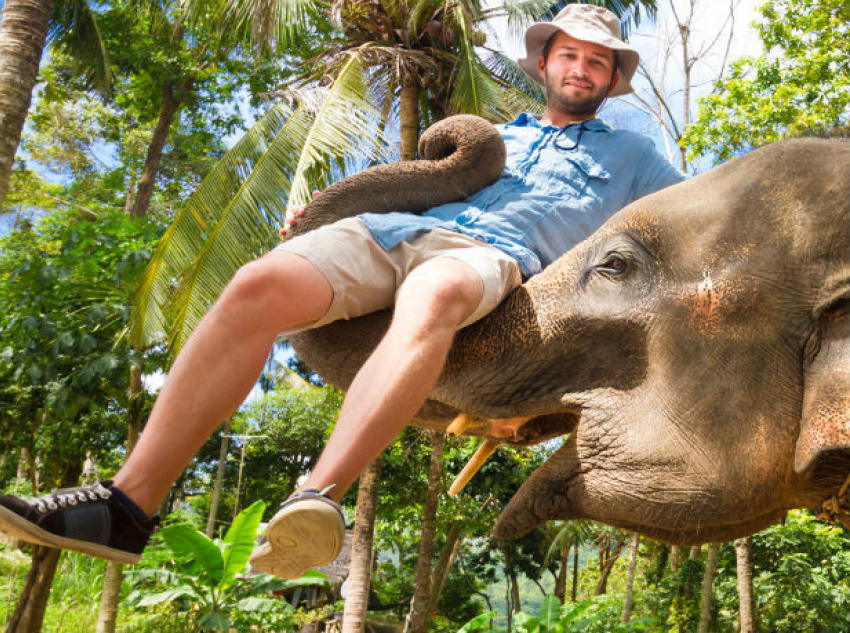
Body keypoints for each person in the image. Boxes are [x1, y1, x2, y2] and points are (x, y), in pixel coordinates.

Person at [0, 5, 683, 579]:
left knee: (435, 292)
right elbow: (418, 178)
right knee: (254, 284)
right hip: (394, 229)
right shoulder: (496, 135)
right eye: (570, 55)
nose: (581, 69)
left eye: (597, 62)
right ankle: (125, 506)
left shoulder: (633, 160)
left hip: (494, 260)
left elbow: (694, 228)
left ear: (613, 80)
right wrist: (326, 212)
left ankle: (318, 496)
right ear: (545, 64)